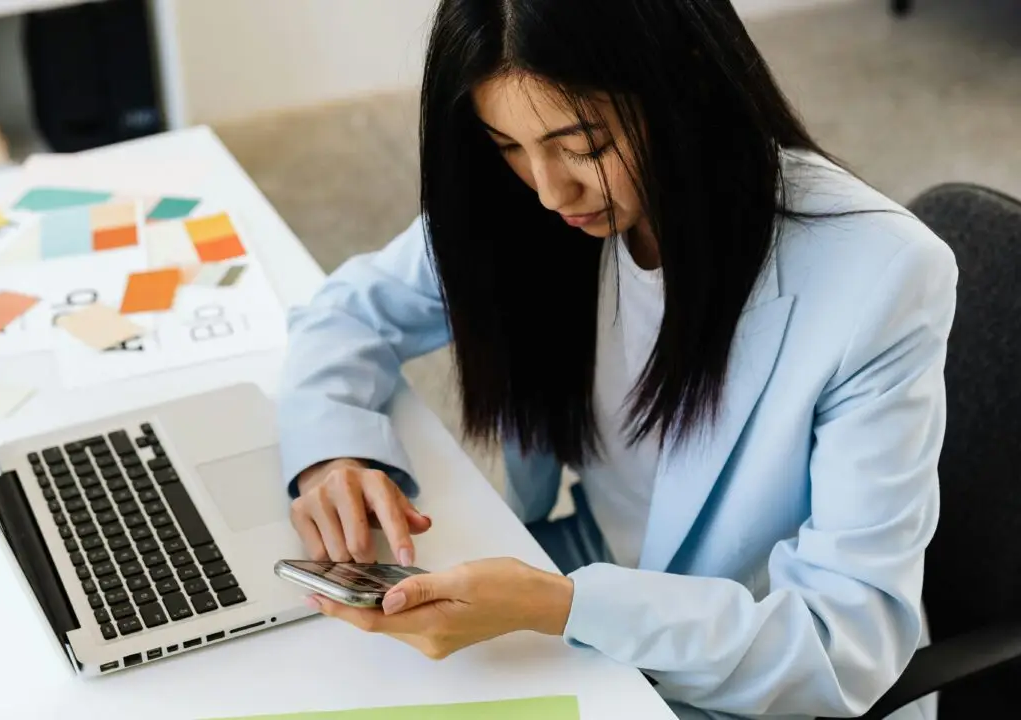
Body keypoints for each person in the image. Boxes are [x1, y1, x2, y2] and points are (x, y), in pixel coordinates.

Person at [275, 1, 958, 718]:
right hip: (585, 576)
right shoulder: (529, 207)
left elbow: (843, 641)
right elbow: (347, 311)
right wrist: (334, 456)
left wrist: (566, 607)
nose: (547, 189)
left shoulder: (879, 273)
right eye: (507, 144)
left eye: (584, 145)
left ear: (682, 81)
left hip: (762, 673)